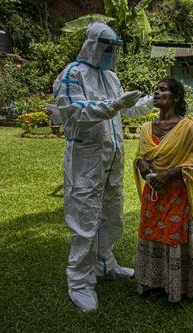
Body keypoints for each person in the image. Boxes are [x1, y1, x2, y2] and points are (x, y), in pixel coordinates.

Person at [53, 22, 155, 313]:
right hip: (86, 160)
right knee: (85, 222)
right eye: (107, 48)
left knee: (111, 215)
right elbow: (76, 112)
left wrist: (145, 104)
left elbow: (122, 109)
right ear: (94, 45)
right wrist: (113, 104)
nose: (112, 53)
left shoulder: (111, 76)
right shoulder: (72, 74)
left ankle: (105, 263)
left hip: (112, 160)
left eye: (115, 49)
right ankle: (80, 282)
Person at [133, 78, 193, 304]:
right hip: (153, 193)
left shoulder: (187, 127)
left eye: (163, 90)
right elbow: (140, 158)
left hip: (176, 193)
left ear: (175, 98)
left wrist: (166, 175)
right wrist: (147, 172)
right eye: (155, 89)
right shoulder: (147, 128)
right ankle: (153, 284)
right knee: (152, 235)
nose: (156, 93)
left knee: (173, 236)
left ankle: (177, 287)